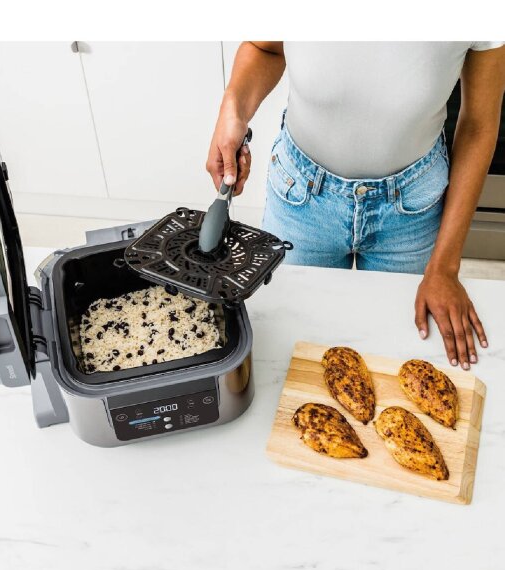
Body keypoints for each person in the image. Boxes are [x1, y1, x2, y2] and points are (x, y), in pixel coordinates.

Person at [207, 42, 505, 370]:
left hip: (412, 211)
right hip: (301, 199)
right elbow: (265, 49)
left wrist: (445, 267)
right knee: (281, 356)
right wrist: (233, 109)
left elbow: (478, 125)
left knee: (407, 358)